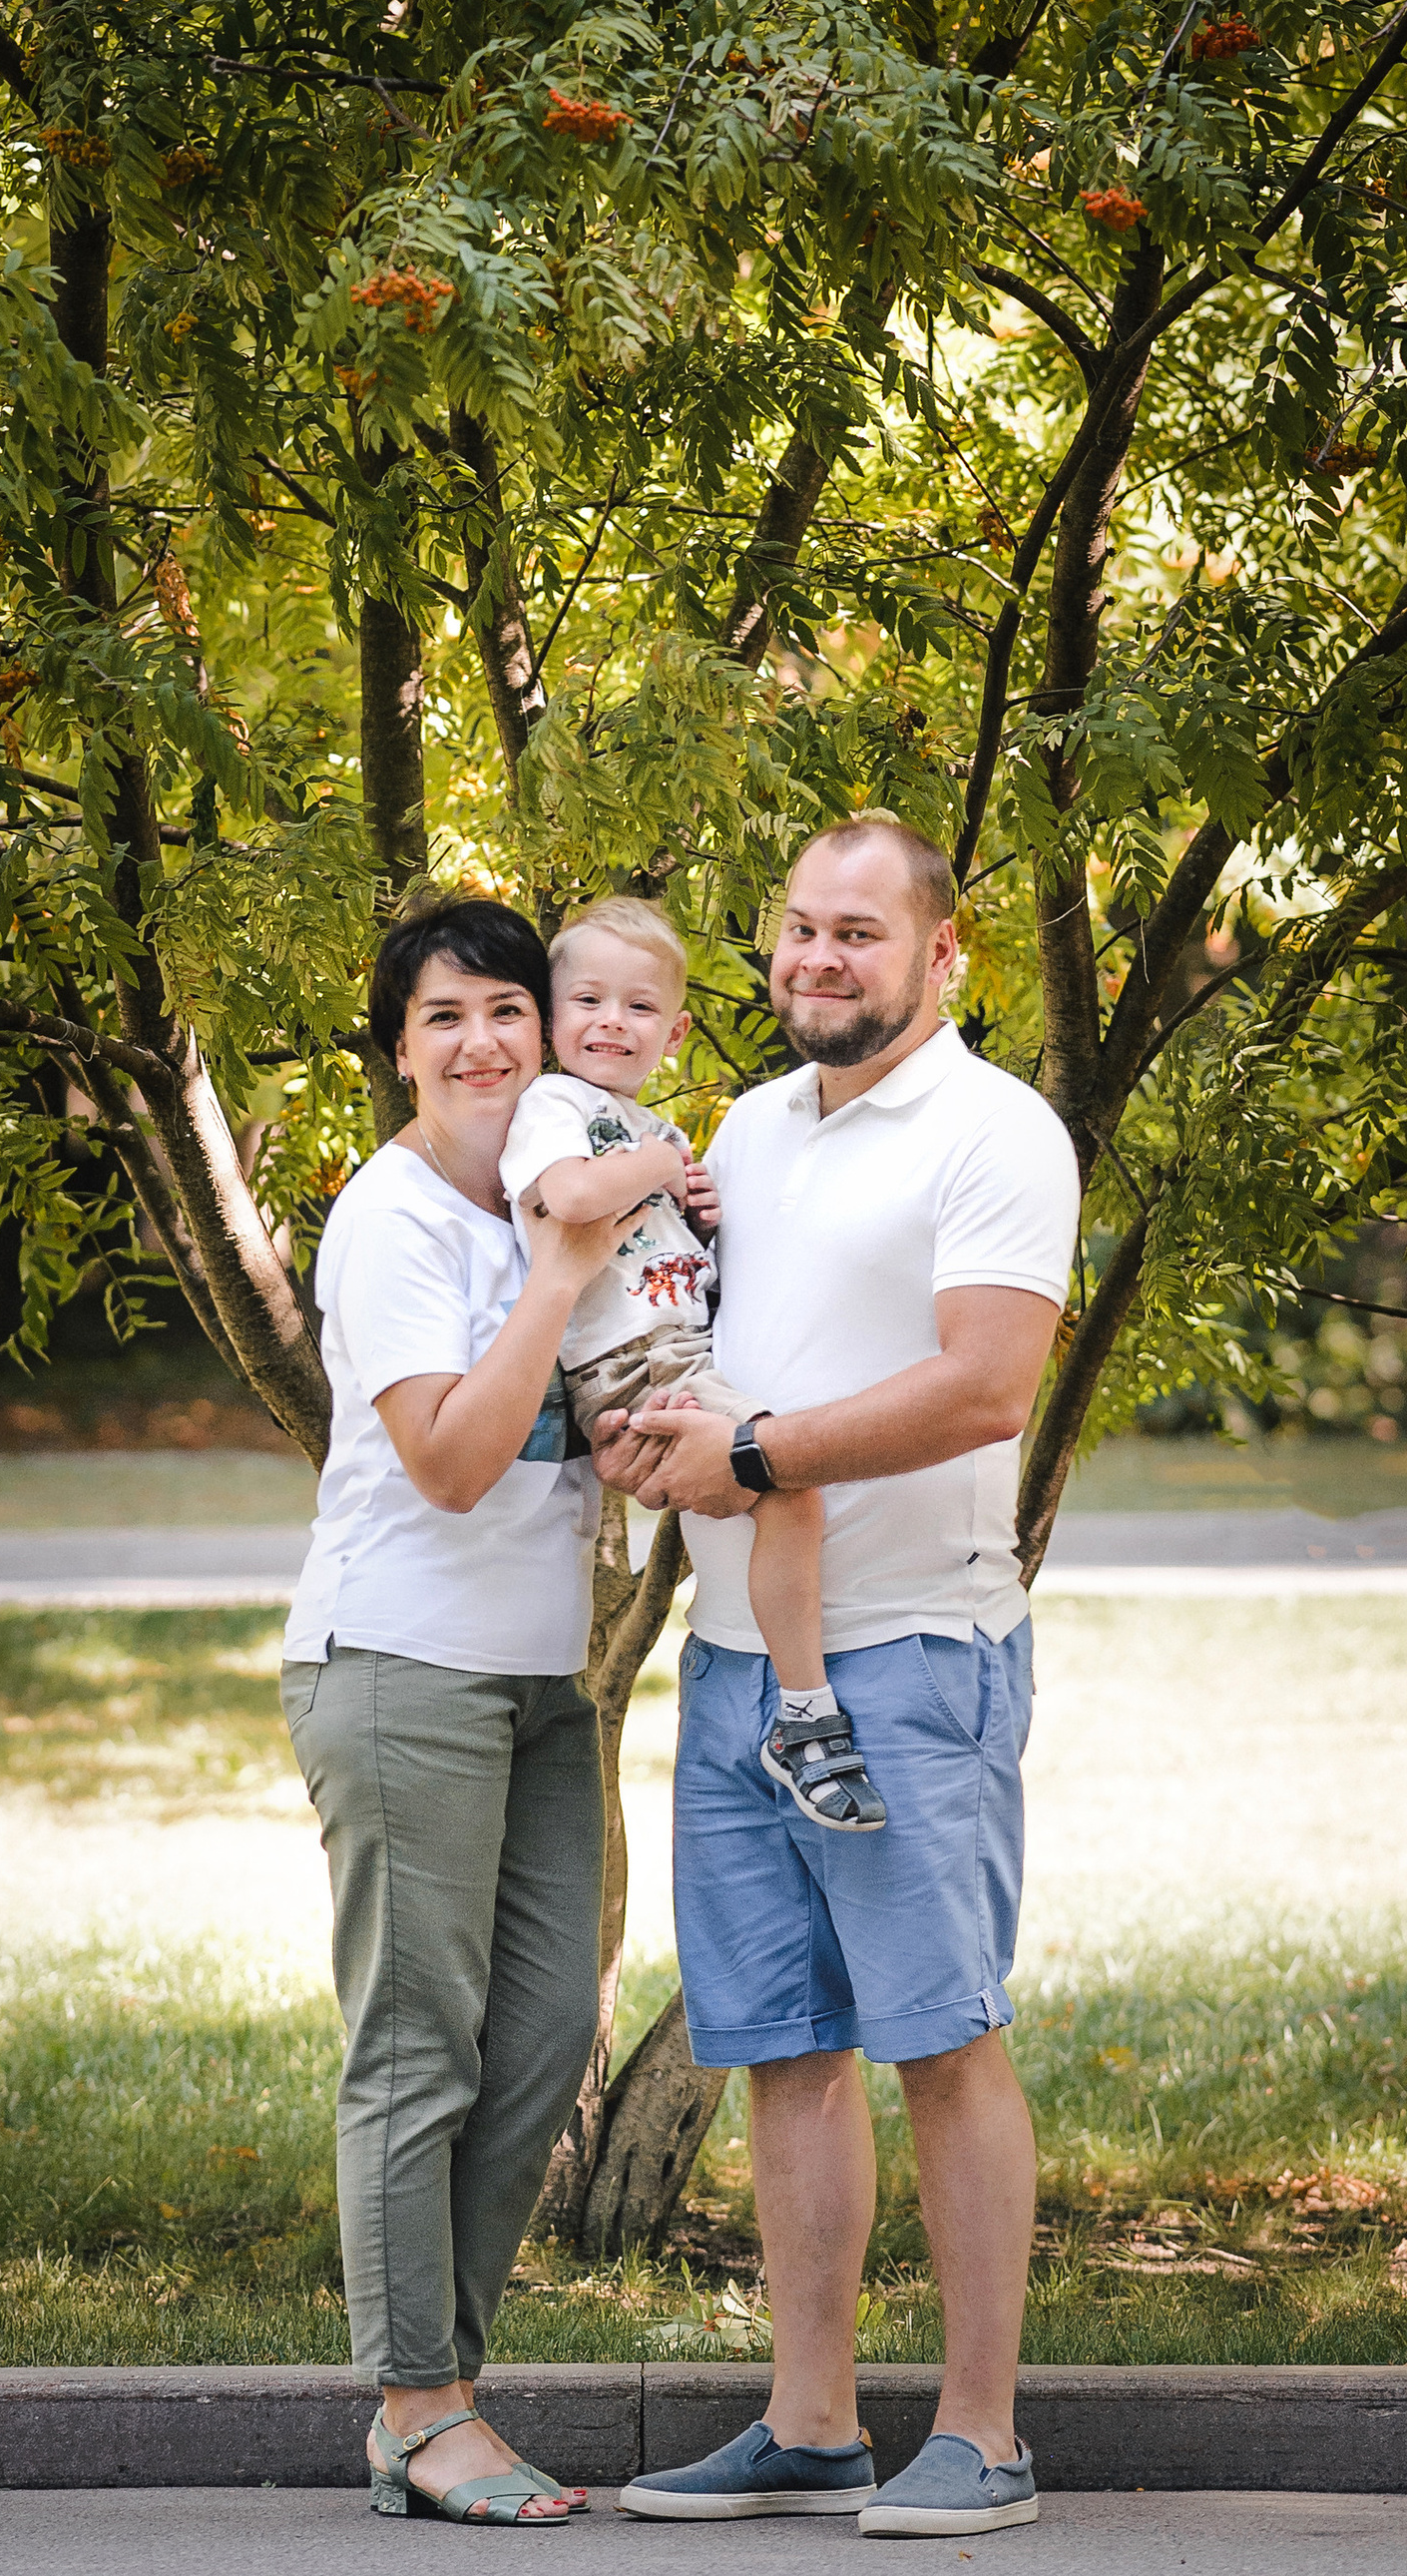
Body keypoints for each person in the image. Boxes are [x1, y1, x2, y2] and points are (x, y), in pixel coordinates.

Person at [599, 814, 1077, 2540]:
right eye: (799, 923)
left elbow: (984, 1387)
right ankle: (810, 2423)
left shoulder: (994, 1130)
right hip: (742, 1661)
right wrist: (664, 1425)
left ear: (942, 955)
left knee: (939, 2035)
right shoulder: (746, 1124)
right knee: (787, 2047)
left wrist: (754, 1442)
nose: (817, 954)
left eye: (857, 930)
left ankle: (983, 2431)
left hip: (910, 1657)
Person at [280, 885, 638, 2530]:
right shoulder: (399, 1218)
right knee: (417, 2038)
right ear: (399, 1054)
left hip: (532, 1673)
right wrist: (560, 1276)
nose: (485, 1038)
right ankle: (422, 2402)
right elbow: (447, 1454)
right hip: (398, 1662)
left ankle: (442, 2389)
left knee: (549, 2023)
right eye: (445, 1016)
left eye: (508, 1006)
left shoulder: (561, 1188)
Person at [497, 895, 882, 1835]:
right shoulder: (553, 1107)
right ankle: (805, 1713)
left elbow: (660, 1261)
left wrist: (696, 1212)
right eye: (587, 1000)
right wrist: (662, 1166)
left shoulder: (640, 1125)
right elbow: (574, 1194)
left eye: (638, 1007)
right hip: (632, 1370)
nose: (610, 1022)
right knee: (789, 1483)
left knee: (783, 1479)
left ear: (673, 1031)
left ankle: (795, 1698)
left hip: (672, 1351)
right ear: (552, 1020)